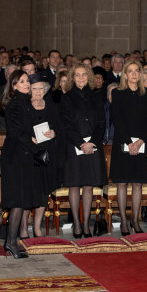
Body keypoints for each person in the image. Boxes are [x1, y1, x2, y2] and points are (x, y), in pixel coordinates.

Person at [61, 63, 107, 238]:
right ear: (73, 78)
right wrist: (80, 143)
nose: (81, 78)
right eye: (77, 75)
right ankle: (77, 225)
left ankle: (87, 224)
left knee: (88, 185)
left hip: (92, 146)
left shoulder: (96, 97)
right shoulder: (66, 98)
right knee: (74, 185)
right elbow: (66, 125)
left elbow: (101, 123)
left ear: (89, 77)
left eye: (84, 75)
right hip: (74, 146)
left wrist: (92, 142)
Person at [110, 60, 147, 235]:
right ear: (125, 74)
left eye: (137, 71)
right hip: (123, 142)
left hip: (141, 143)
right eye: (131, 71)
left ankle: (135, 220)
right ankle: (123, 221)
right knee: (122, 183)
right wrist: (130, 142)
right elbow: (117, 120)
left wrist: (140, 141)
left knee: (137, 183)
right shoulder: (118, 94)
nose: (134, 74)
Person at [19, 73, 63, 239]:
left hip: (46, 155)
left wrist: (54, 133)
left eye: (41, 89)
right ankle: (24, 227)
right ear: (29, 90)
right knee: (27, 193)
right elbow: (19, 130)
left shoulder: (52, 107)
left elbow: (60, 129)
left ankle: (37, 227)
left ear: (45, 91)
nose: (38, 92)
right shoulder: (24, 106)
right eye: (35, 88)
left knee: (43, 194)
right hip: (28, 154)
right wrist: (29, 138)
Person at [0, 70, 37, 259]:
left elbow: (28, 129)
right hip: (15, 157)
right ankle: (10, 243)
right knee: (17, 201)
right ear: (13, 85)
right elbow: (16, 132)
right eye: (21, 81)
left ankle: (12, 242)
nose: (26, 84)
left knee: (21, 201)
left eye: (27, 81)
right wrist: (34, 144)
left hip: (23, 155)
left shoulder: (25, 103)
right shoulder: (15, 104)